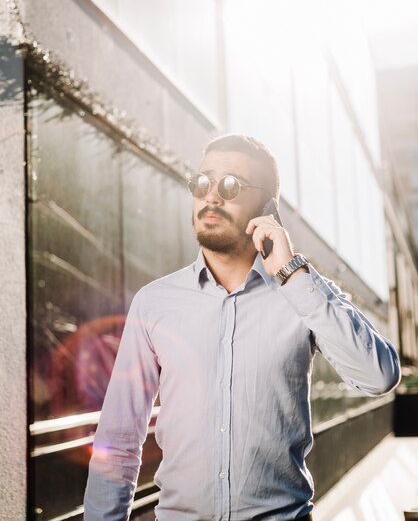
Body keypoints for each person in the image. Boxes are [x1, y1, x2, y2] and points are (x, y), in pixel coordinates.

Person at [84, 134, 400, 521]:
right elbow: (118, 440)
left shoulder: (302, 293)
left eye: (230, 185)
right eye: (202, 182)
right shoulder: (154, 303)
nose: (211, 196)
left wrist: (293, 275)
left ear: (268, 208)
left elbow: (379, 376)